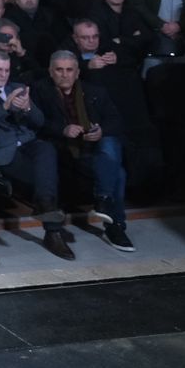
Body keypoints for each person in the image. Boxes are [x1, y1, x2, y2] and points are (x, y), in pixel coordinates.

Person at [0, 50, 71, 259]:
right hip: (3, 151)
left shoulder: (18, 88)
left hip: (28, 143)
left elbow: (39, 122)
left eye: (7, 70)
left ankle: (46, 208)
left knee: (47, 149)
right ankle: (53, 231)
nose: (3, 75)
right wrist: (5, 107)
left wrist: (28, 108)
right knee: (47, 178)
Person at [30, 51, 132, 251]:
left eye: (69, 70)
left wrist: (100, 131)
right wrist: (63, 129)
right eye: (59, 70)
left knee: (111, 144)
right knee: (117, 172)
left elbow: (116, 120)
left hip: (91, 149)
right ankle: (111, 217)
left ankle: (110, 215)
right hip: (60, 150)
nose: (64, 75)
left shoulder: (95, 91)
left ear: (77, 73)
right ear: (50, 71)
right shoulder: (39, 91)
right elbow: (35, 123)